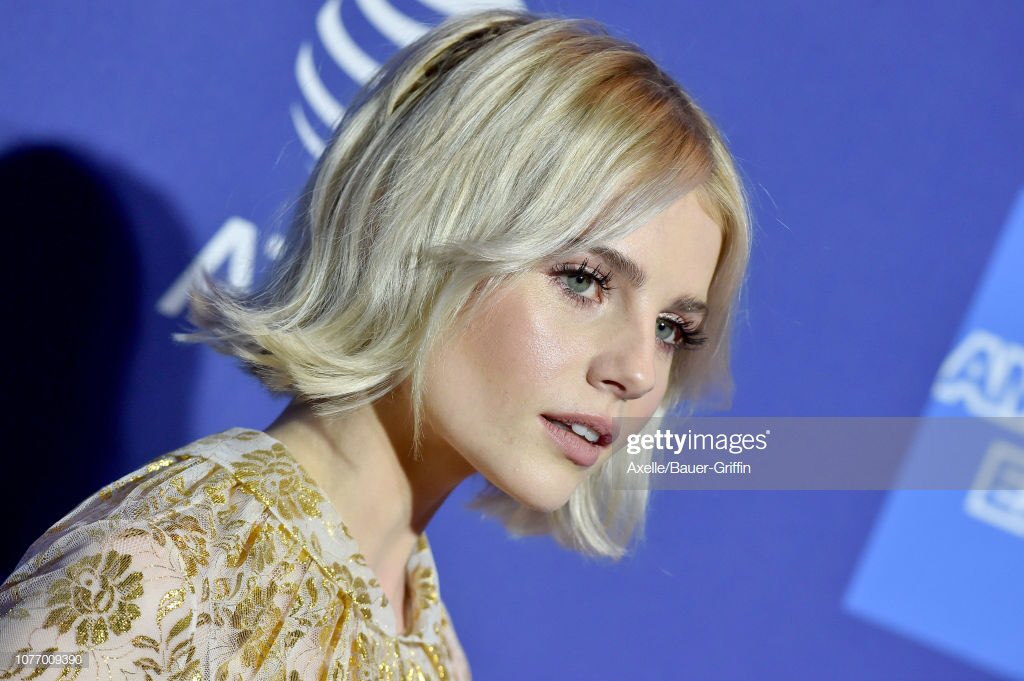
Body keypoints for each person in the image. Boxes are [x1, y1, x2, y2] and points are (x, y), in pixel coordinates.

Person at [0, 8, 750, 680]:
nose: (639, 370)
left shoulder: (429, 641)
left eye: (671, 328)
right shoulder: (170, 570)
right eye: (584, 280)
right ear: (419, 228)